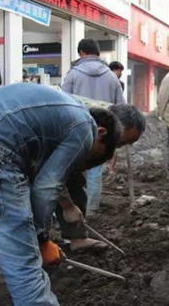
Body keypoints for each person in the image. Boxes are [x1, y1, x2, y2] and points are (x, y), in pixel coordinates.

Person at [0, 84, 121, 306]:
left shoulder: (57, 112)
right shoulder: (85, 127)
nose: (85, 161)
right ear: (100, 133)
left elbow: (47, 177)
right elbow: (47, 187)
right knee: (24, 266)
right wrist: (41, 240)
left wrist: (67, 206)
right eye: (93, 156)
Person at [56, 103, 146, 250]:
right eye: (120, 143)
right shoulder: (78, 124)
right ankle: (37, 242)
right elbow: (51, 176)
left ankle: (77, 237)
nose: (116, 148)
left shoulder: (102, 119)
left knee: (75, 180)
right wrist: (68, 206)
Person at [62, 38, 125, 221]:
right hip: (104, 131)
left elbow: (63, 102)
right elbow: (120, 107)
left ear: (81, 53)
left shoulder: (73, 74)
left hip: (77, 128)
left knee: (75, 170)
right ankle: (92, 210)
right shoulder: (112, 77)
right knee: (95, 170)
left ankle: (77, 209)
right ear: (98, 54)